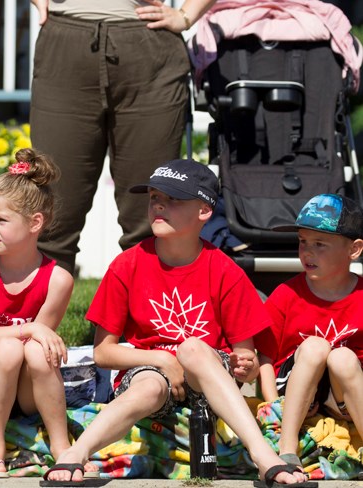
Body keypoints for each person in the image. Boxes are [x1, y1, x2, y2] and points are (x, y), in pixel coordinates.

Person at [41, 159, 315, 488]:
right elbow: (103, 353)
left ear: (203, 211)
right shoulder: (127, 265)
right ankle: (76, 453)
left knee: (194, 349)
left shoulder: (225, 270)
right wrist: (160, 358)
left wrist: (246, 366)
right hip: (150, 373)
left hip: (208, 377)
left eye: (174, 199)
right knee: (148, 385)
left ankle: (264, 457)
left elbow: (247, 361)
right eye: (155, 197)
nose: (159, 204)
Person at [29, 0, 217, 275]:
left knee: (152, 215)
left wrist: (186, 16)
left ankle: (146, 314)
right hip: (64, 43)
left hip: (150, 46)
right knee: (52, 212)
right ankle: (39, 315)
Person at [0, 148, 98, 479]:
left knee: (36, 349)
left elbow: (43, 348)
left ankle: (61, 446)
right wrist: (29, 329)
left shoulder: (58, 280)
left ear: (36, 222)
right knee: (10, 346)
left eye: (1, 220)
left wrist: (34, 333)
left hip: (27, 387)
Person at [256, 193, 363, 468]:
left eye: (319, 244)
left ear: (354, 249)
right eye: (302, 242)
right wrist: (273, 406)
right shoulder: (286, 294)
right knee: (316, 347)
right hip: (294, 391)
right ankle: (287, 448)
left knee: (341, 356)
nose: (307, 251)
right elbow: (265, 359)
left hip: (343, 395)